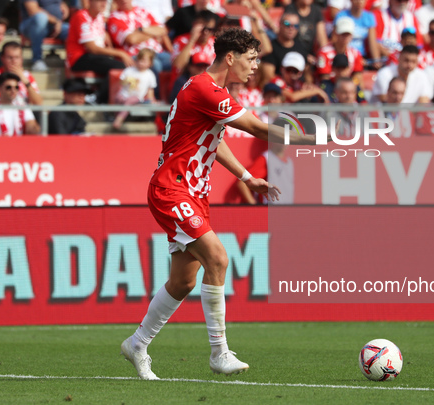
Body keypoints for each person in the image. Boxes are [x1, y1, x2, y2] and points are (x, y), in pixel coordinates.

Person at [120, 27, 319, 380]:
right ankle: (219, 352)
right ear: (231, 57)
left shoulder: (211, 92)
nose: (255, 67)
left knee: (182, 281)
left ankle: (137, 343)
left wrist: (245, 177)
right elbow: (257, 129)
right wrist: (309, 135)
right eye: (252, 59)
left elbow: (217, 139)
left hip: (195, 193)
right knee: (218, 257)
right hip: (172, 189)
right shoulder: (204, 89)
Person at [66, 0, 132, 103]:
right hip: (79, 58)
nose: (103, 4)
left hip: (93, 56)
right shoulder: (81, 16)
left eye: (105, 1)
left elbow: (100, 43)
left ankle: (108, 99)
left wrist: (114, 51)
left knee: (123, 66)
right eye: (99, 1)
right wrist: (120, 53)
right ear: (90, 2)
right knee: (119, 66)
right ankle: (98, 99)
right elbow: (92, 48)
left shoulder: (99, 17)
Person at [107, 0, 173, 74]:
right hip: (137, 55)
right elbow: (132, 39)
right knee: (155, 65)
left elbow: (162, 30)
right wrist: (153, 33)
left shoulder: (143, 11)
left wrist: (141, 29)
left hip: (157, 51)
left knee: (175, 62)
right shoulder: (114, 18)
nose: (124, 0)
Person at [112, 48, 158, 129]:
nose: (141, 63)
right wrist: (127, 82)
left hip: (137, 98)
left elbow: (150, 91)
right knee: (118, 98)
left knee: (130, 100)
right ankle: (117, 117)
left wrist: (152, 100)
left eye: (144, 61)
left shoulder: (150, 75)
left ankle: (119, 119)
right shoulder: (129, 70)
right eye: (139, 60)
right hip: (124, 94)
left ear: (150, 63)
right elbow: (120, 83)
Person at [0, 41, 43, 106]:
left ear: (21, 59)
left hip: (24, 113)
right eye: (10, 58)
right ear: (2, 58)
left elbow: (38, 103)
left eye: (17, 57)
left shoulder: (27, 76)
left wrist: (25, 82)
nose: (14, 61)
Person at [19, 0, 70, 72]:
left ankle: (72, 62)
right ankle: (37, 60)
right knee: (41, 18)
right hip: (31, 25)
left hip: (54, 26)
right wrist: (56, 21)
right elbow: (33, 10)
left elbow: (59, 3)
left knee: (72, 29)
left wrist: (64, 7)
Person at [260, 12, 309, 85]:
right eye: (287, 24)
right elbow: (268, 76)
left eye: (295, 25)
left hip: (298, 88)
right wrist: (287, 91)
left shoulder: (301, 47)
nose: (291, 28)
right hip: (277, 90)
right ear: (280, 24)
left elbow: (308, 75)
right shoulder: (271, 47)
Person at [171, 10, 217, 74]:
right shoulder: (181, 40)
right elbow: (178, 66)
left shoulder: (216, 43)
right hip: (184, 81)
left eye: (210, 29)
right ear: (194, 25)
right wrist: (192, 40)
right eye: (203, 29)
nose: (206, 32)